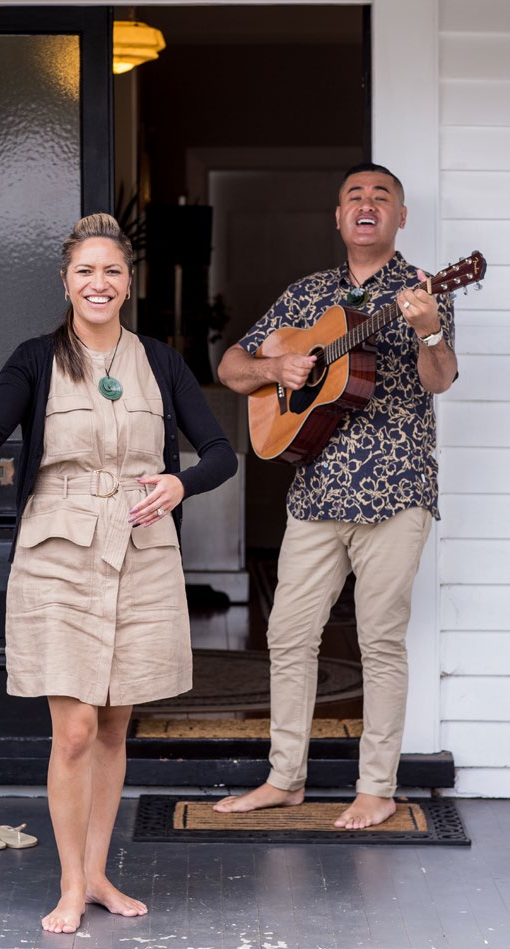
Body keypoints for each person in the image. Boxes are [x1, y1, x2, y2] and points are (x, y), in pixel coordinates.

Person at [0, 213, 237, 934]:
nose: (99, 282)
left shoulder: (160, 360)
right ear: (65, 281)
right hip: (58, 552)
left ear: (127, 284)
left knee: (117, 724)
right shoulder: (34, 358)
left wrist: (181, 485)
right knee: (77, 728)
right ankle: (67, 882)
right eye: (85, 271)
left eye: (111, 271)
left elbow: (219, 451)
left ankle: (96, 875)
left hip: (141, 546)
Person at [213, 163, 457, 830]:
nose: (367, 204)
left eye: (381, 196)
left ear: (400, 217)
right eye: (355, 196)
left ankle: (375, 787)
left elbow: (439, 379)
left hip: (394, 490)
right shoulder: (308, 294)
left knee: (379, 639)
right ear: (338, 216)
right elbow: (230, 365)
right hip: (315, 493)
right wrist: (276, 367)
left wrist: (430, 327)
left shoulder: (423, 290)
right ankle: (284, 778)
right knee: (287, 635)